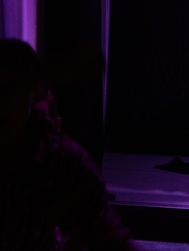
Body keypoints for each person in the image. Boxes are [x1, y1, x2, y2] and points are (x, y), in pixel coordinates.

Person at [0, 39, 137, 250]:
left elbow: (108, 234)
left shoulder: (60, 160)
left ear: (33, 93)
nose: (3, 101)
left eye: (12, 88)